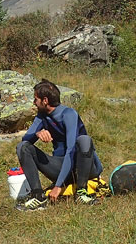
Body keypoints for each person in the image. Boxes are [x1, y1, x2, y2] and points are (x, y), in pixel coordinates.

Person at [16, 79, 103, 210]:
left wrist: (58, 186)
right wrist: (38, 133)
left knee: (84, 140)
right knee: (22, 147)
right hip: (60, 166)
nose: (34, 103)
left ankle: (81, 192)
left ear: (45, 100)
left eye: (35, 99)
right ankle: (38, 197)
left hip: (84, 168)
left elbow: (71, 150)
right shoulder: (42, 116)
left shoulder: (68, 114)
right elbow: (25, 141)